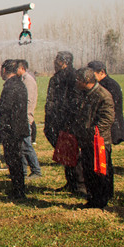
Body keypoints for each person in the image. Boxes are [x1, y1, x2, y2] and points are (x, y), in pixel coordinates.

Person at [71, 66, 115, 209]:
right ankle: (92, 198)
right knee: (88, 171)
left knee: (100, 172)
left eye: (78, 80)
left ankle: (101, 201)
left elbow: (107, 119)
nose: (76, 82)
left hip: (99, 142)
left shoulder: (103, 95)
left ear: (86, 80)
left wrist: (92, 133)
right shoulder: (84, 93)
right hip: (86, 141)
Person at [45, 52, 86, 194]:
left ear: (64, 62)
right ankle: (71, 182)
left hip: (68, 120)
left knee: (73, 151)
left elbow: (76, 100)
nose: (54, 63)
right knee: (65, 151)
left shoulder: (73, 77)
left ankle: (80, 184)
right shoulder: (56, 77)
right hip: (57, 120)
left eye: (57, 60)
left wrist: (68, 116)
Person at [0, 60, 30, 200]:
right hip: (18, 127)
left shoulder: (11, 85)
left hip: (12, 129)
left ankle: (19, 190)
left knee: (13, 160)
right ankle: (18, 188)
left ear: (4, 70)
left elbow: (5, 106)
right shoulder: (19, 83)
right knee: (15, 159)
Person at [89, 61, 124, 145]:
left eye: (92, 74)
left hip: (110, 125)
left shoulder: (110, 85)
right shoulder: (102, 84)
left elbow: (110, 107)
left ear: (102, 72)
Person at [16, 60, 41, 179]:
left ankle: (36, 170)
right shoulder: (22, 80)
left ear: (22, 68)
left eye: (16, 68)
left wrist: (25, 117)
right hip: (21, 118)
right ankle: (23, 171)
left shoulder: (28, 81)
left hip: (25, 118)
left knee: (26, 145)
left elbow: (29, 101)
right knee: (22, 145)